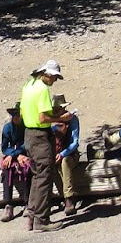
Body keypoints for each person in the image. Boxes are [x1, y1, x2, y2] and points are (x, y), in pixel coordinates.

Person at [18, 59, 74, 231]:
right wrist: (61, 118)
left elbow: (23, 111)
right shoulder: (42, 89)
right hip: (40, 135)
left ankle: (32, 215)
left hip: (29, 133)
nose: (54, 81)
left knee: (36, 175)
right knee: (44, 177)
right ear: (47, 74)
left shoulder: (29, 85)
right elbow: (43, 118)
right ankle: (42, 220)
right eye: (54, 77)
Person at [52, 94, 82, 216]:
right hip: (54, 153)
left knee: (64, 163)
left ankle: (69, 198)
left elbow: (75, 143)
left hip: (70, 154)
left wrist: (63, 153)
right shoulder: (51, 121)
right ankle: (60, 196)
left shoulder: (72, 120)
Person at [0, 106, 31, 222]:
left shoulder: (26, 127)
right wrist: (14, 155)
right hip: (13, 155)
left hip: (24, 154)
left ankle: (28, 203)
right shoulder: (7, 128)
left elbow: (27, 143)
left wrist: (17, 154)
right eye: (14, 115)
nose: (16, 118)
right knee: (7, 168)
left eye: (18, 115)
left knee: (27, 168)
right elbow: (4, 147)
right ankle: (8, 204)